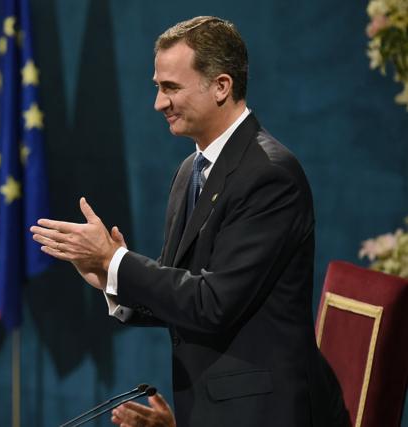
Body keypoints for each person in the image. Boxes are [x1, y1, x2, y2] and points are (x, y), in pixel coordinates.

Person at [31, 16, 347, 427]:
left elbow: (212, 304)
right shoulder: (190, 171)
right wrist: (108, 279)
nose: (159, 103)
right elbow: (180, 289)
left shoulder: (270, 175)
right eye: (158, 87)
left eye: (171, 88)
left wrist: (118, 262)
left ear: (221, 86)